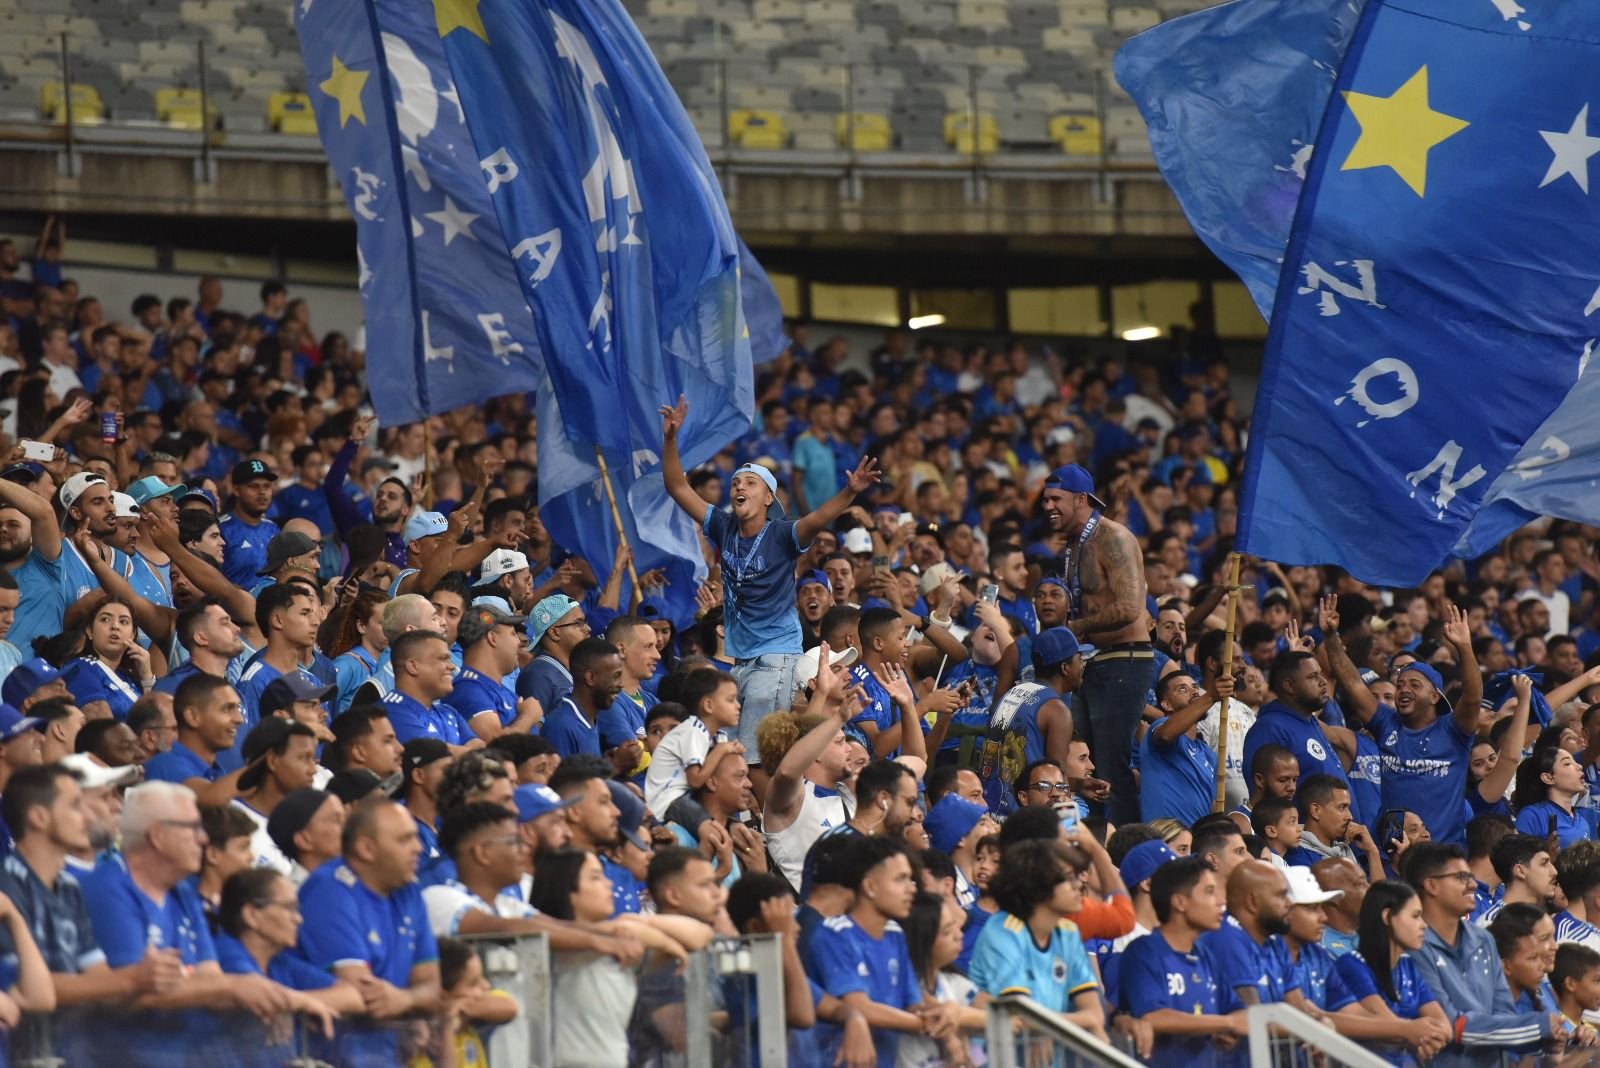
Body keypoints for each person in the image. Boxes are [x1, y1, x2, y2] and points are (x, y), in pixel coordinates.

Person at [661, 394, 880, 764]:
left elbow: (817, 517)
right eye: (735, 483)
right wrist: (670, 438)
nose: (739, 487)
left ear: (768, 498)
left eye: (750, 483)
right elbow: (677, 488)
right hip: (740, 659)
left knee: (756, 757)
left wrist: (850, 492)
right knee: (734, 753)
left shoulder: (782, 534)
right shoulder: (723, 526)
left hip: (776, 657)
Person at [80, 782, 297, 1065]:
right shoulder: (108, 889)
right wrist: (236, 987)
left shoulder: (182, 891)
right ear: (158, 836)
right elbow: (135, 992)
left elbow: (209, 976)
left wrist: (267, 996)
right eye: (193, 828)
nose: (203, 839)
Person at [529, 847, 712, 1068]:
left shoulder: (618, 943)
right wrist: (656, 938)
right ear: (566, 889)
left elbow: (700, 935)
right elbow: (625, 932)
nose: (608, 884)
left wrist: (637, 921)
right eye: (595, 877)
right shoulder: (560, 947)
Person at [294, 796, 443, 1067]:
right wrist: (412, 1002)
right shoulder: (329, 891)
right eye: (405, 840)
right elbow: (364, 996)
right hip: (330, 1058)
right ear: (366, 848)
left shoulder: (409, 892)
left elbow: (432, 989)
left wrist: (404, 999)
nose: (419, 848)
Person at [1040, 463, 1151, 824]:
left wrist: (1077, 627)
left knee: (1110, 762)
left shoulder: (1113, 538)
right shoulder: (1076, 544)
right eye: (1045, 500)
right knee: (1086, 762)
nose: (1048, 506)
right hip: (1091, 663)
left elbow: (1129, 607)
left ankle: (1127, 842)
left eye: (1056, 499)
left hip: (1124, 659)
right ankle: (1093, 837)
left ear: (1080, 499)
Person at [1324, 599, 1482, 846]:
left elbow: (1472, 698)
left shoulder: (1454, 730)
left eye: (1414, 685)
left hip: (1441, 854)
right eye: (1400, 685)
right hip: (1392, 852)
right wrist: (1330, 636)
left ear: (1434, 697)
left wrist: (1464, 647)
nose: (1404, 689)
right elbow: (1353, 683)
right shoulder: (1386, 723)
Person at [805, 835, 954, 1067]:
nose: (911, 889)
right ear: (870, 887)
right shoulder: (835, 934)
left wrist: (945, 1020)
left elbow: (912, 1003)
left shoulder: (894, 934)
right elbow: (860, 1007)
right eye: (901, 879)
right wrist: (927, 1024)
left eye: (911, 880)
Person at [1402, 841, 1560, 1059]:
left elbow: (1505, 1014)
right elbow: (1449, 1025)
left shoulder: (1483, 938)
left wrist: (1542, 1040)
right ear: (1431, 886)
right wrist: (1536, 1028)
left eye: (1470, 876)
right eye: (1461, 877)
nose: (1473, 884)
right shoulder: (1414, 947)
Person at [968, 838, 1107, 1039]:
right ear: (1039, 885)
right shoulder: (1003, 932)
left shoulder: (1067, 933)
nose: (1078, 885)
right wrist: (1084, 1022)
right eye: (1068, 878)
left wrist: (1083, 1021)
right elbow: (1023, 1016)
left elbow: (1095, 1014)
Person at [213, 868, 351, 1065]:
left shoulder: (280, 962)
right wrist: (296, 1003)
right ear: (252, 915)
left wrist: (293, 1005)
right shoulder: (225, 951)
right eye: (289, 908)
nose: (298, 919)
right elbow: (259, 992)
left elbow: (352, 995)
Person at [1118, 855, 1245, 1066]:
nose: (1221, 901)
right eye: (1209, 892)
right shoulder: (1143, 952)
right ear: (1180, 902)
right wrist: (1226, 1023)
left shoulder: (1204, 954)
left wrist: (1230, 1026)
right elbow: (1152, 1016)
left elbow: (1237, 1008)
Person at [1331, 878, 1453, 1063]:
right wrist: (1418, 1034)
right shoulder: (1352, 966)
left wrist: (1423, 1036)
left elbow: (1445, 1027)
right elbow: (1388, 1025)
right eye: (1415, 916)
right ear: (1387, 916)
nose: (1423, 925)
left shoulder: (1408, 965)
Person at [980, 626, 1080, 813]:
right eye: (1079, 660)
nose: (1082, 666)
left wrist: (1081, 784)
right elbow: (1057, 779)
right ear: (1065, 668)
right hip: (1025, 815)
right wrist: (1069, 824)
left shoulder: (1013, 693)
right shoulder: (1057, 710)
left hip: (990, 809)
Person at [644, 667, 743, 824]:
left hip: (686, 798)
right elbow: (695, 780)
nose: (738, 706)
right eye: (730, 700)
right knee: (707, 826)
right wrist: (722, 750)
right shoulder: (693, 731)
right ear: (708, 705)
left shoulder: (717, 735)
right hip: (666, 801)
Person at [1140, 669, 1232, 826]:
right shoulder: (1159, 727)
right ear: (1167, 704)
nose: (1194, 692)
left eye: (1195, 687)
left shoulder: (1208, 754)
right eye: (1182, 688)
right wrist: (1210, 696)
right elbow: (1166, 734)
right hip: (1164, 835)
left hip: (1197, 837)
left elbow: (1212, 806)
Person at [443, 603, 540, 743]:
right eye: (513, 634)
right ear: (492, 638)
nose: (518, 643)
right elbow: (495, 745)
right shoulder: (468, 690)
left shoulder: (499, 690)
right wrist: (528, 716)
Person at [382, 631, 479, 753]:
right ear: (413, 666)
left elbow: (479, 747)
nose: (452, 666)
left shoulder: (448, 711)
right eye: (443, 659)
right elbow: (433, 755)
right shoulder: (391, 711)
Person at [542, 637, 625, 760]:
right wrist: (616, 766)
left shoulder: (591, 718)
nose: (621, 684)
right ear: (590, 678)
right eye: (616, 676)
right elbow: (561, 774)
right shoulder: (561, 727)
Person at [1314, 857, 1369, 958]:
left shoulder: (1371, 934)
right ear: (1334, 897)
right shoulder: (1324, 950)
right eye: (1360, 884)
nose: (1369, 888)